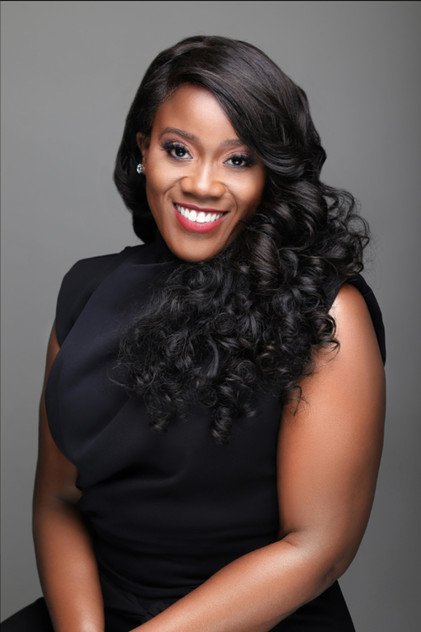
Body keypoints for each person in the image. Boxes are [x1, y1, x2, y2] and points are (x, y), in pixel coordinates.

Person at [2, 35, 386, 632]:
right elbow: (58, 499)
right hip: (91, 614)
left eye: (238, 160)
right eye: (178, 150)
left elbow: (316, 549)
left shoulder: (328, 312)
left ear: (272, 173)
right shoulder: (84, 291)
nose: (202, 184)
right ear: (143, 151)